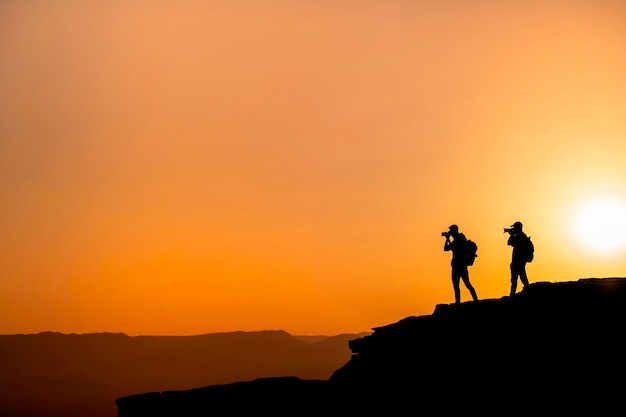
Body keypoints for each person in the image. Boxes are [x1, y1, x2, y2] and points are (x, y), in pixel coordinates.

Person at [443, 224, 478, 304]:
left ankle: (474, 300)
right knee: (458, 286)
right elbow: (445, 248)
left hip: (460, 266)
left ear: (454, 231)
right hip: (457, 266)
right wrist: (447, 239)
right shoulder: (457, 240)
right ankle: (459, 302)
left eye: (451, 231)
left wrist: (447, 239)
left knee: (466, 284)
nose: (450, 233)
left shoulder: (459, 240)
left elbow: (446, 248)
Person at [505, 221, 531, 296]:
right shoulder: (522, 236)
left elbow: (510, 242)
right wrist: (513, 234)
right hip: (518, 260)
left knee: (517, 278)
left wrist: (512, 235)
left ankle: (513, 294)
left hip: (518, 260)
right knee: (520, 277)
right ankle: (525, 290)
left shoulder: (521, 237)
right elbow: (509, 243)